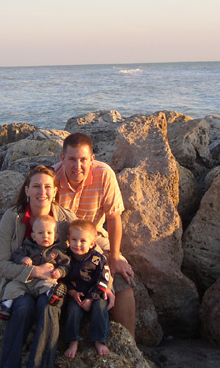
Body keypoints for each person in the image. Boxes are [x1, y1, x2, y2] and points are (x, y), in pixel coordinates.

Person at [0, 165, 76, 368]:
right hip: (20, 284)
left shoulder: (65, 220)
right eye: (36, 186)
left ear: (55, 191)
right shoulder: (13, 217)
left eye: (47, 186)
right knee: (23, 307)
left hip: (51, 285)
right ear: (27, 190)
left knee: (48, 306)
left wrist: (112, 265)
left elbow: (87, 248)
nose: (42, 191)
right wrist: (33, 271)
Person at [53, 132, 136, 338]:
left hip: (94, 236)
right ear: (62, 159)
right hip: (61, 241)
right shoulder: (52, 180)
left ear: (92, 159)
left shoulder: (104, 174)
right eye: (71, 159)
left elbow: (114, 218)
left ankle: (129, 344)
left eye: (83, 160)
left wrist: (115, 257)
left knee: (123, 281)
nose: (77, 166)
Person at [0, 214, 70, 319]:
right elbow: (16, 255)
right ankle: (6, 305)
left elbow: (66, 264)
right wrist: (22, 259)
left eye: (49, 233)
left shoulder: (58, 251)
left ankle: (52, 294)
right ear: (33, 236)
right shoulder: (28, 247)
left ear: (56, 237)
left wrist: (59, 271)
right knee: (12, 286)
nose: (45, 236)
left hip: (43, 281)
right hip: (26, 282)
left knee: (49, 284)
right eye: (40, 233)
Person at [62, 219, 112, 358]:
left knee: (101, 307)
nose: (77, 244)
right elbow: (63, 278)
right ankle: (73, 341)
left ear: (92, 243)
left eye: (83, 241)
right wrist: (72, 292)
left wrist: (91, 298)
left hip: (95, 293)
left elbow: (103, 279)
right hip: (75, 293)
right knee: (72, 309)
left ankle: (99, 340)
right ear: (68, 239)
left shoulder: (97, 259)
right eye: (74, 239)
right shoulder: (66, 257)